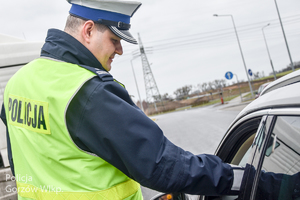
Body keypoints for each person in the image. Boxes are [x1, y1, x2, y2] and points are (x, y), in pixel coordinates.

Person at [0, 0, 244, 199]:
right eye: (114, 40)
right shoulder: (88, 91)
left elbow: (22, 157)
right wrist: (248, 181)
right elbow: (161, 165)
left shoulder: (19, 82)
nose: (119, 50)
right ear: (88, 30)